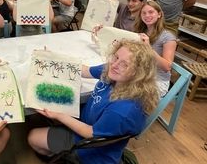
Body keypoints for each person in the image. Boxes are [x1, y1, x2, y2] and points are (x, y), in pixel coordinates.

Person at [27, 40, 159, 164]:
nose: (115, 65)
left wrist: (60, 116)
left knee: (32, 137)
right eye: (116, 57)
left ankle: (65, 156)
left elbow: (90, 133)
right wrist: (53, 58)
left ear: (138, 73)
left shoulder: (123, 110)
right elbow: (84, 70)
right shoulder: (112, 70)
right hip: (88, 122)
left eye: (125, 64)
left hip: (92, 149)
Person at [135, 0, 177, 97]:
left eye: (151, 12)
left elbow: (167, 67)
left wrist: (148, 48)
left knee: (129, 96)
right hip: (140, 76)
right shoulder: (140, 32)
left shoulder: (168, 37)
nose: (147, 15)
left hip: (157, 81)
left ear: (159, 14)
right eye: (144, 13)